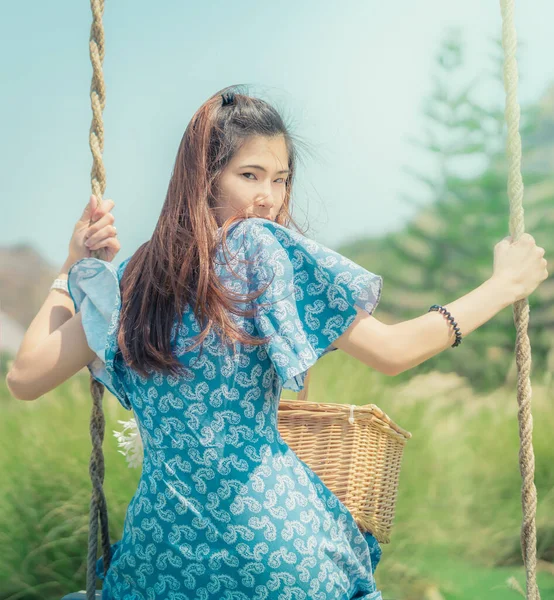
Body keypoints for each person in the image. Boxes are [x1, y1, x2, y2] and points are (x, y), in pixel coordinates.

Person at [6, 86, 548, 600]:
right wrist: (501, 287)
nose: (268, 198)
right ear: (206, 177)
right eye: (250, 175)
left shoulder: (133, 278)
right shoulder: (259, 244)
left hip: (164, 559)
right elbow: (392, 351)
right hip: (273, 548)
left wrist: (71, 267)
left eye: (280, 179)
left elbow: (26, 378)